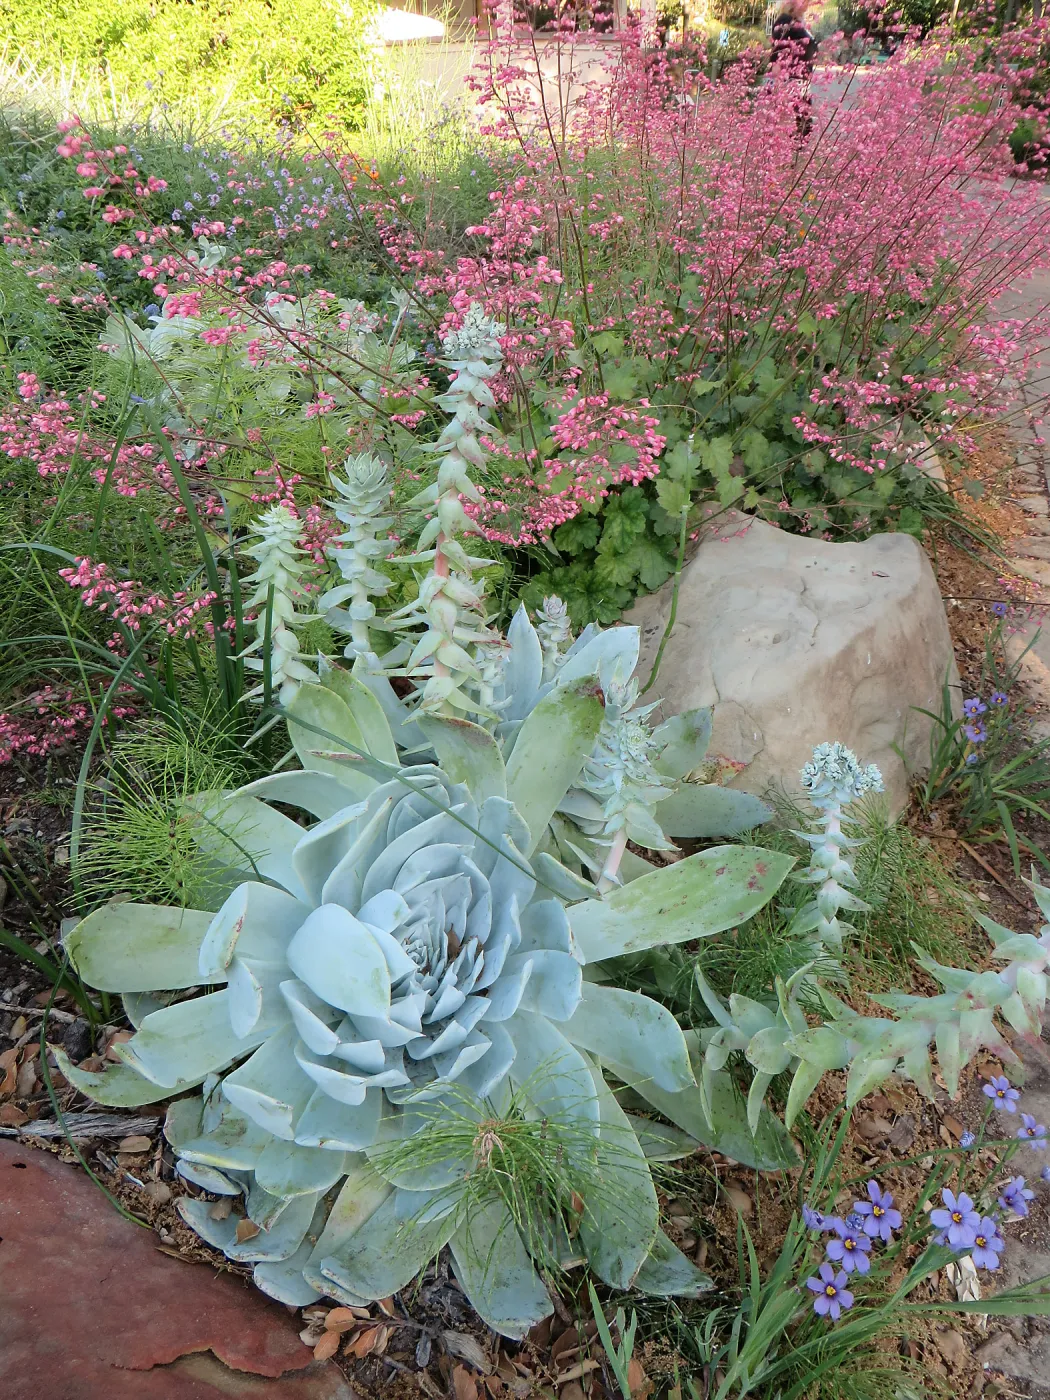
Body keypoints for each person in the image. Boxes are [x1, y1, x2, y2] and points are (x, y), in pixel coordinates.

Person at [770, 0, 817, 139]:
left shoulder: (798, 22)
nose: (807, 4)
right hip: (791, 79)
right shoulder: (785, 21)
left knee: (803, 121)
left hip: (801, 79)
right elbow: (777, 52)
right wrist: (779, 86)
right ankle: (788, 146)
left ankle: (794, 146)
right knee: (797, 121)